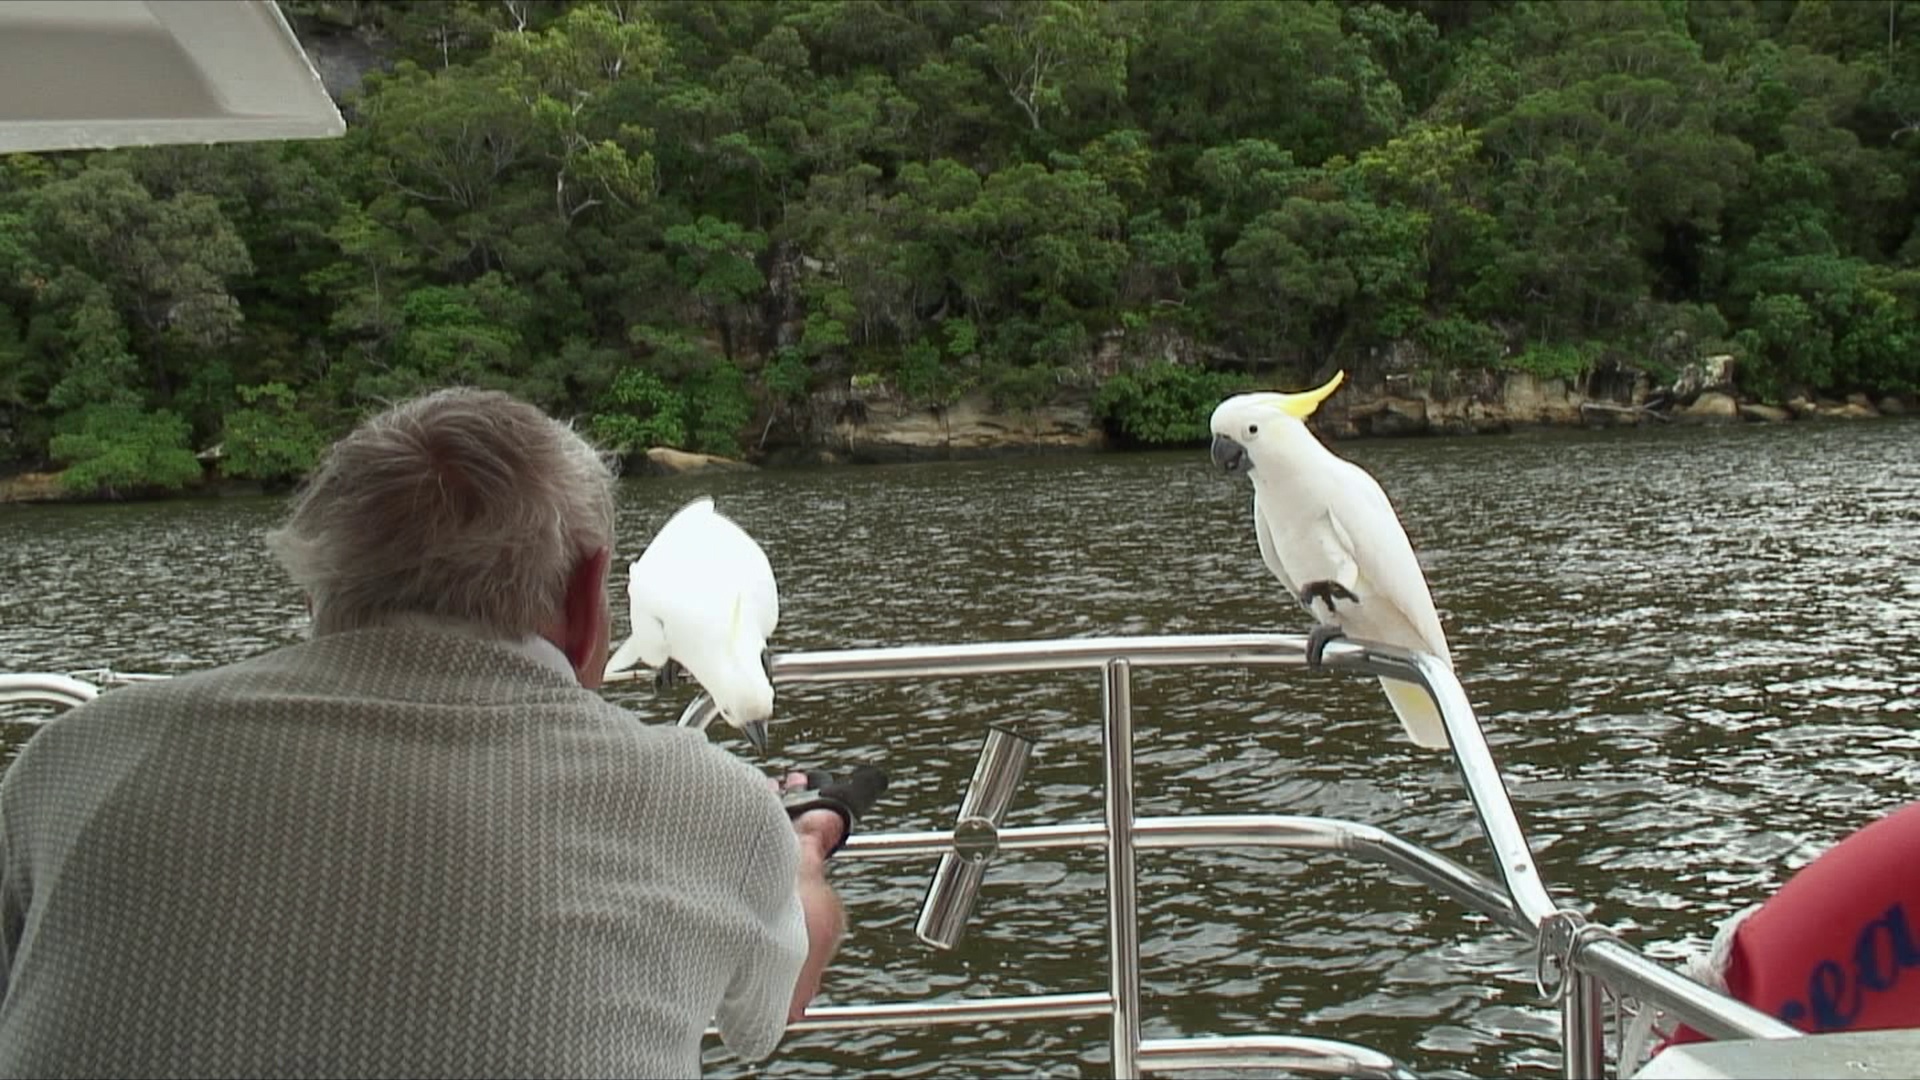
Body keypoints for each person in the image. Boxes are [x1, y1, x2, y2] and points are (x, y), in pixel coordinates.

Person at [0, 387, 868, 1078]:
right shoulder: (706, 800)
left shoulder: (75, 756)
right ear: (586, 591)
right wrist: (800, 854)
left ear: (316, 591)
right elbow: (766, 1022)